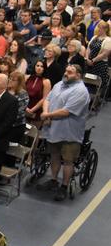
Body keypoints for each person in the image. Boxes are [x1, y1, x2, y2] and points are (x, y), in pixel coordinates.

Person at [39, 63, 91, 201]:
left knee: (68, 161)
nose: (66, 73)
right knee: (54, 155)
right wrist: (45, 112)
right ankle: (54, 180)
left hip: (70, 133)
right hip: (54, 130)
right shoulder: (59, 84)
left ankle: (64, 186)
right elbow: (48, 99)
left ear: (78, 75)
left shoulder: (81, 91)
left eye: (70, 72)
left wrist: (47, 116)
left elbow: (66, 111)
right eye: (66, 70)